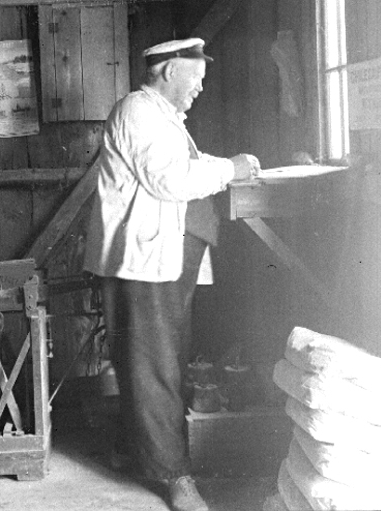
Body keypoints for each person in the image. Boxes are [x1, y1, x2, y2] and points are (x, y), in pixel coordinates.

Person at [83, 38, 260, 511]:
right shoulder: (139, 111)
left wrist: (230, 167)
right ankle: (174, 476)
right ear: (167, 72)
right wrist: (232, 169)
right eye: (194, 78)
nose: (199, 88)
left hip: (162, 258)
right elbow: (170, 180)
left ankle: (136, 449)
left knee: (155, 360)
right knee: (154, 365)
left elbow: (183, 167)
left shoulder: (163, 117)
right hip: (143, 262)